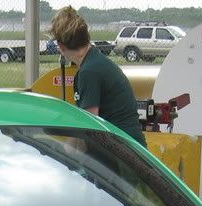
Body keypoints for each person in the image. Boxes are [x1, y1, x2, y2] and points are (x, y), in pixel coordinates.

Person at [50, 6, 146, 146]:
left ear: (60, 45)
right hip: (128, 148)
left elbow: (88, 126)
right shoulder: (95, 61)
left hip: (124, 153)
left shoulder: (90, 71)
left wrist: (63, 151)